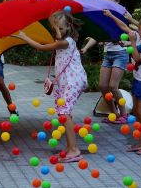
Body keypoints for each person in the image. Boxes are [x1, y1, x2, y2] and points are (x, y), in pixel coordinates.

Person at [13, 11, 87, 163]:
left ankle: (74, 150)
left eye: (60, 28)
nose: (57, 31)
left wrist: (25, 37)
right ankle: (70, 146)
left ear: (68, 26)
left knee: (64, 113)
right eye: (55, 28)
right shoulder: (64, 39)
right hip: (65, 82)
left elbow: (41, 47)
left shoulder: (66, 42)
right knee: (63, 114)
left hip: (74, 82)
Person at [104, 11, 141, 153]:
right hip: (138, 80)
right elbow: (124, 27)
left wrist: (132, 41)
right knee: (137, 112)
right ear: (139, 31)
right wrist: (110, 16)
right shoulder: (139, 38)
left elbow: (137, 57)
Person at [82, 0, 132, 124]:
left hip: (120, 54)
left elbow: (131, 32)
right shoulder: (103, 14)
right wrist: (86, 48)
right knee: (103, 86)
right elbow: (98, 36)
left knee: (113, 86)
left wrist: (126, 42)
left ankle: (123, 114)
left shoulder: (123, 14)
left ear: (117, 1)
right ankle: (113, 113)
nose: (105, 1)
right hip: (108, 54)